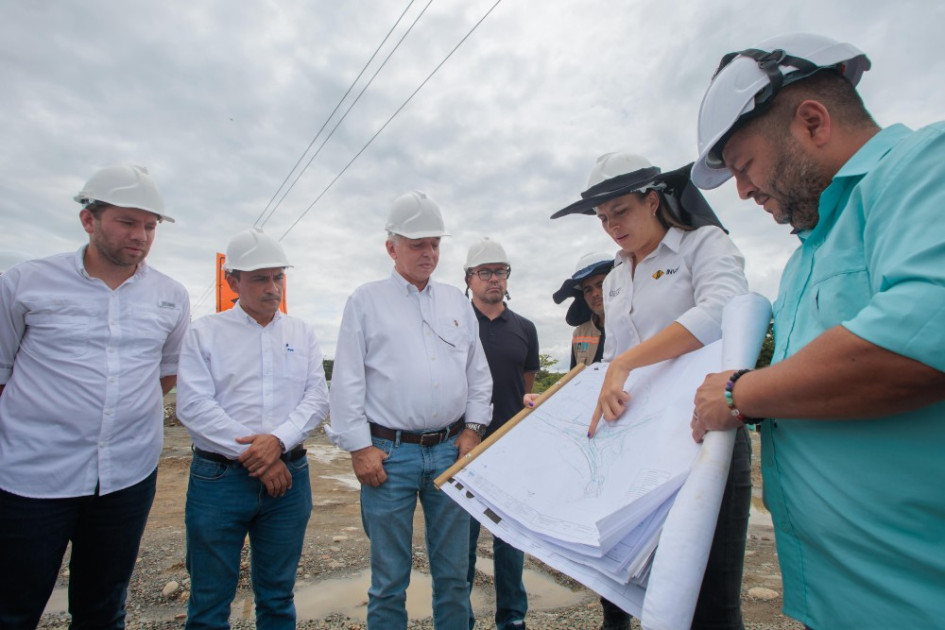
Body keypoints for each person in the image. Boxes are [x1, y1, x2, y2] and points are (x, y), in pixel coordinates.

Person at [689, 33, 945, 629]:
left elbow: (917, 342)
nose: (743, 191)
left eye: (744, 166)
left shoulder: (924, 167)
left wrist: (739, 393)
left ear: (811, 122)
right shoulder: (806, 258)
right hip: (838, 601)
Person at [552, 152, 749, 630]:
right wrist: (562, 405)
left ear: (653, 200)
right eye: (602, 218)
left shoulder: (703, 244)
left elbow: (724, 310)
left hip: (706, 435)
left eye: (621, 211)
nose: (612, 227)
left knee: (711, 599)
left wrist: (627, 362)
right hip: (640, 445)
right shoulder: (617, 277)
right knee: (647, 589)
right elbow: (611, 366)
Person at [0, 165, 190, 629]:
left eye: (150, 226)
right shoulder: (24, 283)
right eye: (127, 221)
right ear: (89, 219)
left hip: (126, 477)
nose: (140, 236)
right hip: (33, 479)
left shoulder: (170, 295)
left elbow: (166, 373)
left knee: (103, 608)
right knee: (13, 607)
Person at [326, 191, 493, 629]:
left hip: (450, 450)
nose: (429, 253)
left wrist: (473, 429)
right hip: (388, 455)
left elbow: (478, 373)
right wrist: (359, 448)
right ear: (391, 248)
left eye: (434, 244)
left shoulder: (456, 302)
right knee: (389, 580)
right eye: (418, 244)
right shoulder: (365, 302)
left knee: (454, 576)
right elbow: (347, 380)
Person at [176, 228, 330, 629]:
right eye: (260, 278)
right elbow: (193, 405)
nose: (272, 287)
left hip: (288, 480)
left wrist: (277, 442)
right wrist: (260, 456)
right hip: (220, 481)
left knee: (278, 596)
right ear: (232, 281)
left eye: (278, 277)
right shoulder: (205, 333)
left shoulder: (301, 332)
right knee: (209, 601)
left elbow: (317, 398)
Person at [463, 237, 539, 630]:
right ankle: (461, 618)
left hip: (511, 448)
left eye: (501, 271)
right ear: (469, 278)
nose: (494, 279)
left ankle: (512, 619)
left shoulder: (525, 328)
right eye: (485, 272)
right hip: (463, 448)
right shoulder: (455, 323)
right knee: (462, 541)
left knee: (509, 541)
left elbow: (525, 386)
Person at [553, 252, 614, 368]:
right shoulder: (580, 334)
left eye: (601, 285)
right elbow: (575, 375)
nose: (595, 294)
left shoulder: (638, 321)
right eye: (588, 290)